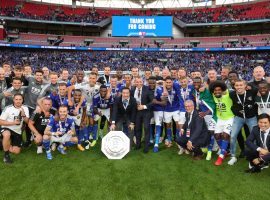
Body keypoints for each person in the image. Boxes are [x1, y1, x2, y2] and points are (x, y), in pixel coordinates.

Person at [228, 79, 258, 165]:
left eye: (241, 85)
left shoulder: (251, 92)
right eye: (237, 85)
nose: (239, 87)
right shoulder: (232, 94)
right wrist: (236, 111)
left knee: (255, 136)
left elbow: (257, 88)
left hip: (251, 117)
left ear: (245, 86)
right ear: (234, 87)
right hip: (239, 118)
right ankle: (233, 156)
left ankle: (254, 156)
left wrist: (251, 86)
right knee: (233, 136)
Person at [209, 81, 234, 166]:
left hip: (229, 118)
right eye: (215, 90)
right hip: (220, 119)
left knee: (225, 135)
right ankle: (225, 150)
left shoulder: (227, 95)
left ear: (222, 90)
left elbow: (228, 90)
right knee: (217, 136)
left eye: (219, 90)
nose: (217, 92)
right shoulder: (214, 95)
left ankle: (221, 156)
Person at [192, 77, 217, 160]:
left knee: (212, 132)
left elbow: (213, 103)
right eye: (194, 82)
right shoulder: (194, 91)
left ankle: (211, 150)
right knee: (204, 132)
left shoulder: (207, 91)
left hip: (210, 115)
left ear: (201, 82)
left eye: (198, 82)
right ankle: (205, 147)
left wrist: (206, 113)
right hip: (201, 115)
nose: (196, 83)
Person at [0, 94, 29, 164]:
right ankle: (6, 155)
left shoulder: (25, 108)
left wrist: (23, 114)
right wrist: (13, 123)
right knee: (7, 134)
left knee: (16, 151)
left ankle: (3, 143)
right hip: (7, 128)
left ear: (22, 100)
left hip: (17, 131)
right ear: (13, 100)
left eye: (20, 99)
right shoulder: (8, 108)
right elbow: (0, 122)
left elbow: (27, 121)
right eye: (16, 99)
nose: (18, 101)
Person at [131, 76, 153, 153]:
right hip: (137, 112)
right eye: (137, 82)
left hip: (146, 112)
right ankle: (138, 144)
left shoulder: (148, 89)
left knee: (146, 128)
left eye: (140, 81)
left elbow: (152, 102)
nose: (138, 83)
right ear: (135, 82)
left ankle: (146, 146)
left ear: (142, 82)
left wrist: (143, 106)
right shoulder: (133, 89)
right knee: (137, 129)